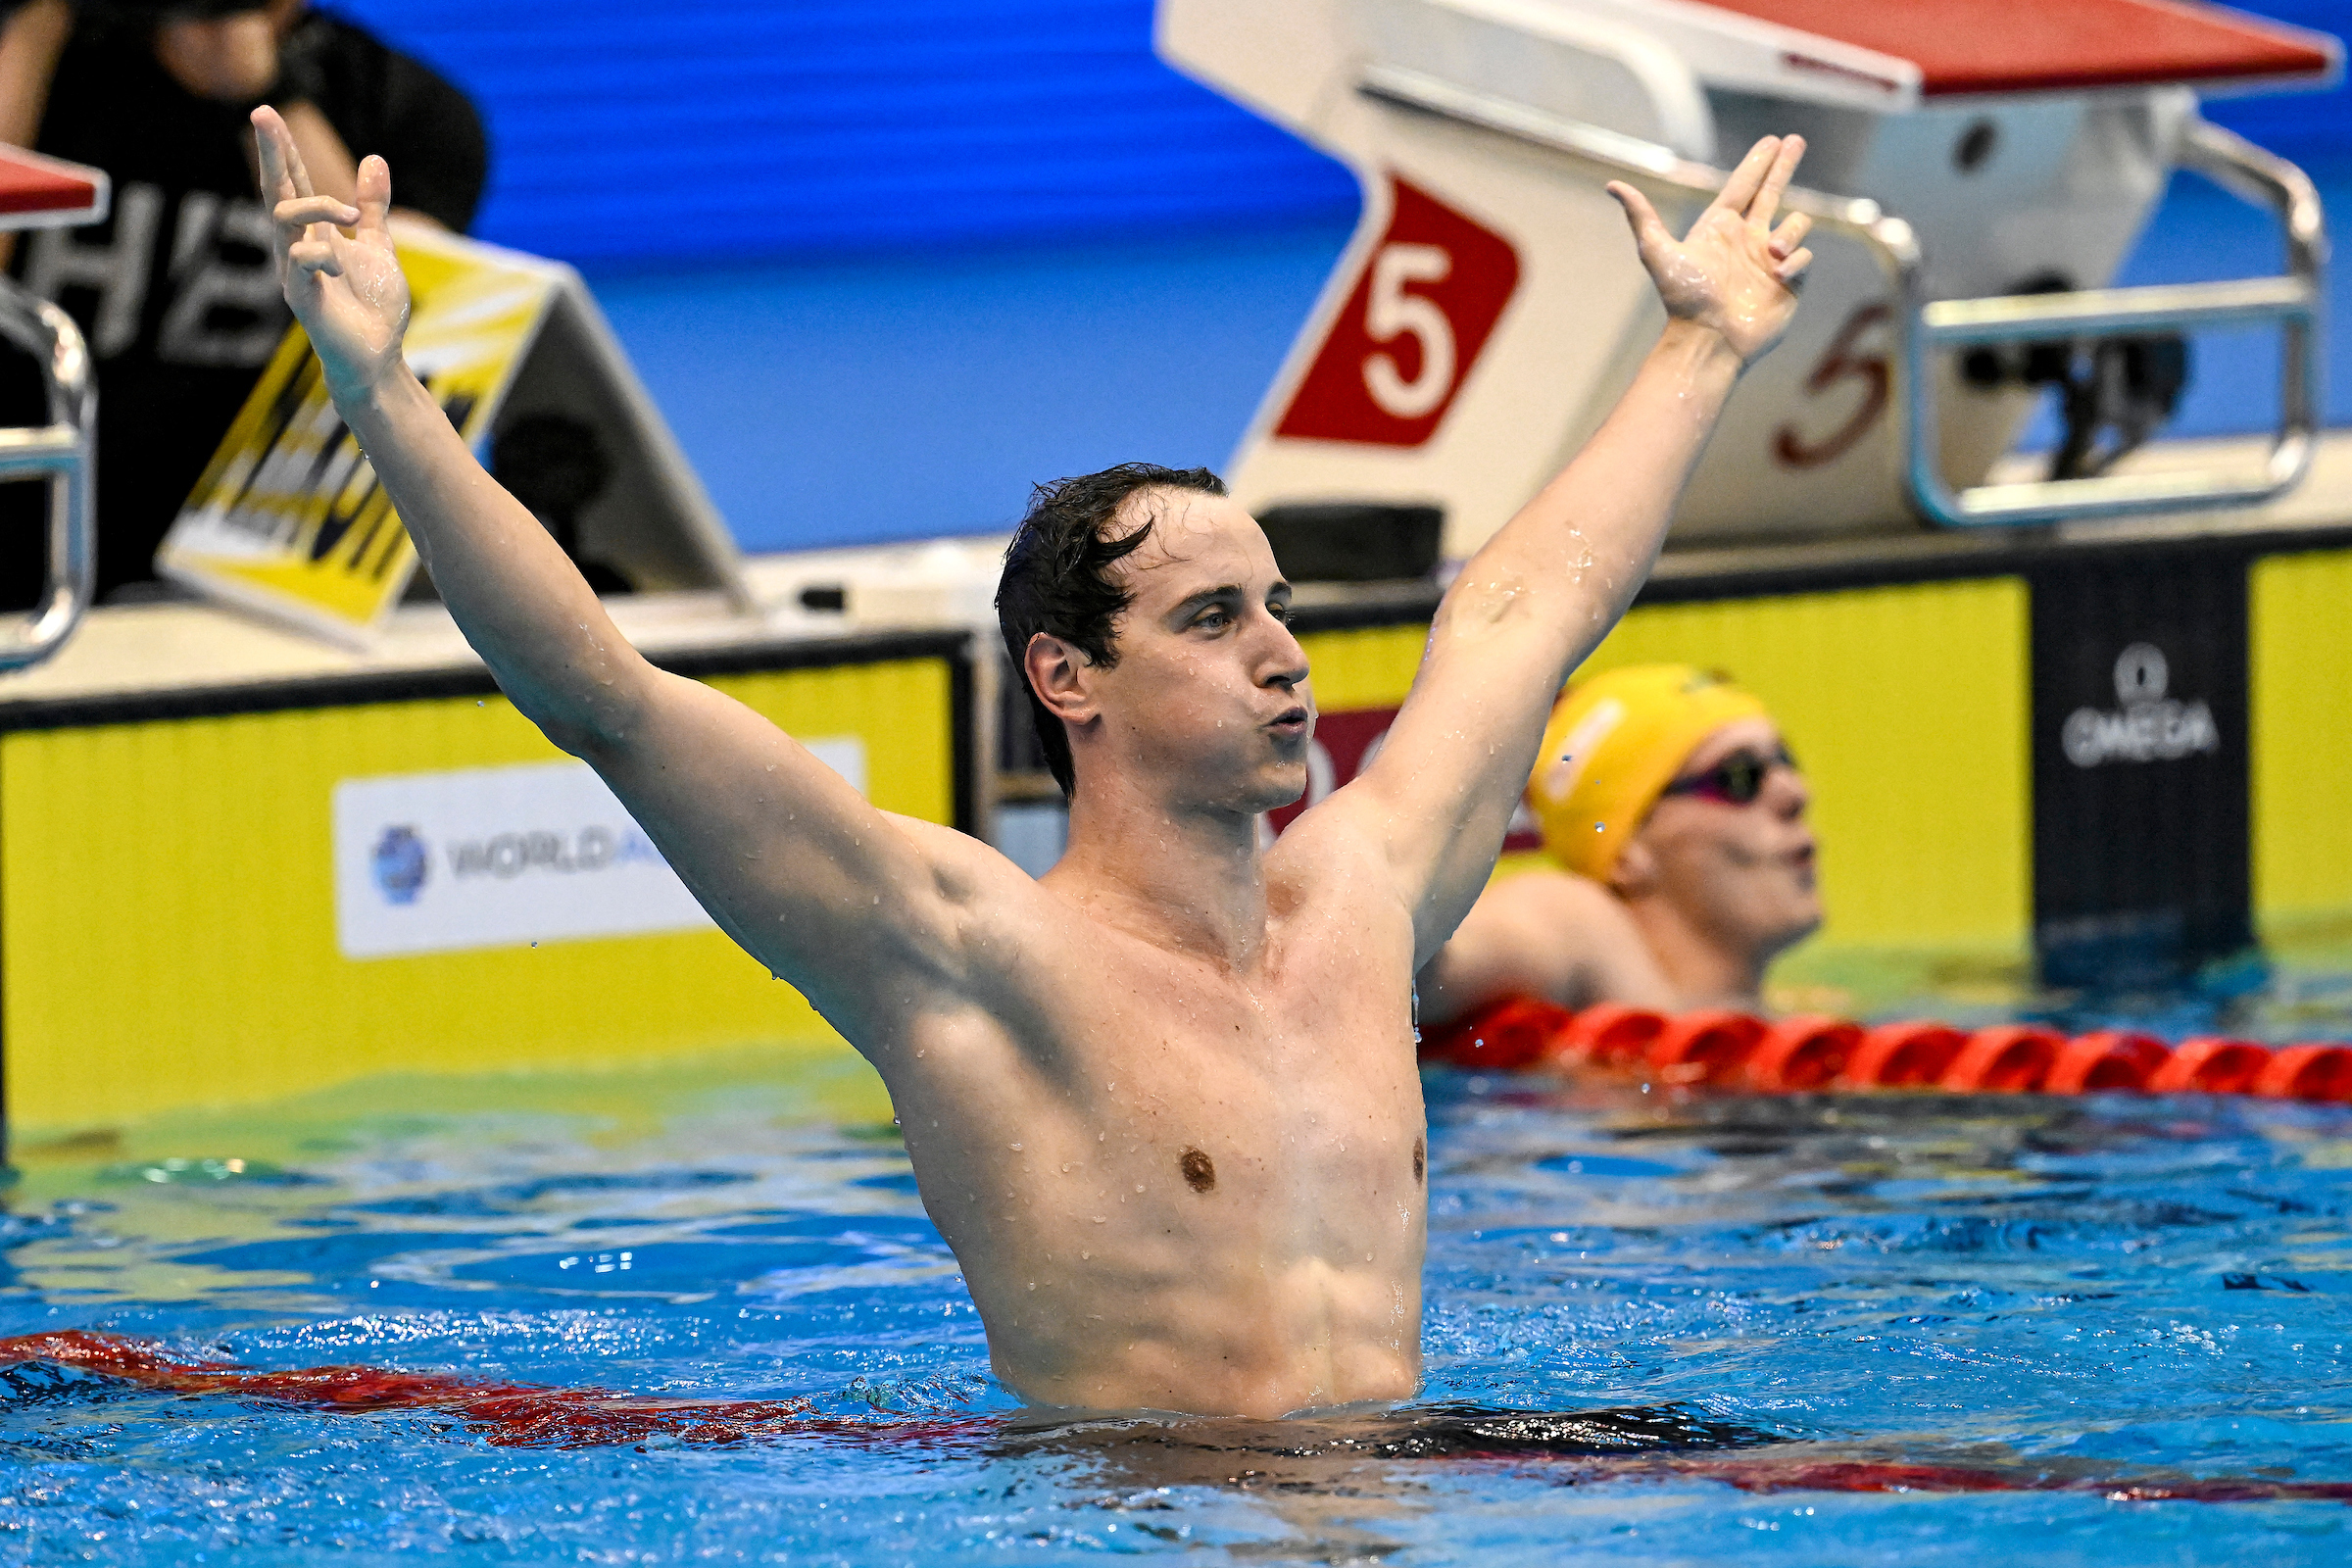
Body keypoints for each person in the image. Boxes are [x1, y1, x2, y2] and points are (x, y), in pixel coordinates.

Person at [251, 104, 1815, 1419]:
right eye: (1213, 618)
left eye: (1277, 607)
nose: (1284, 651)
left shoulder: (1366, 901)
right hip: (1140, 1524)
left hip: (1399, 1506)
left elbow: (1523, 615)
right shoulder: (973, 958)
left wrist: (1700, 345)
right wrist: (385, 390)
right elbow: (604, 695)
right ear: (1068, 677)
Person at [0, 0, 484, 601]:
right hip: (22, 532)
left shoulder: (402, 106)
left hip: (249, 566)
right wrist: (36, 21)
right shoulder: (40, 55)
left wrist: (269, 94)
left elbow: (391, 322)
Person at [1418, 664, 1822, 1024]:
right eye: (1739, 776)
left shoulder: (1805, 1004)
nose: (1795, 792)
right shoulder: (1585, 930)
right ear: (1628, 855)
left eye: (1786, 760)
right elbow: (1421, 963)